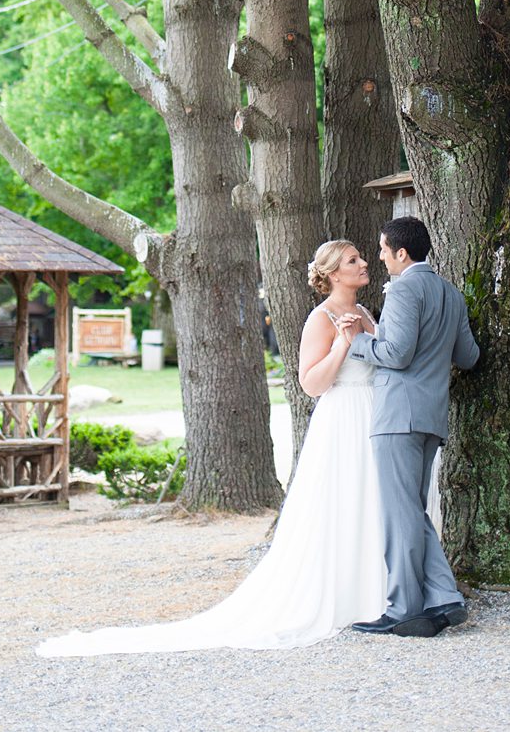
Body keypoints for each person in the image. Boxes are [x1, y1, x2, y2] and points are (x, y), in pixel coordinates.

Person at [36, 238, 388, 656]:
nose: (364, 263)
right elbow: (311, 384)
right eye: (353, 260)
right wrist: (343, 345)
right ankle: (342, 595)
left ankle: (376, 592)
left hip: (373, 416)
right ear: (332, 273)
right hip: (341, 419)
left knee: (372, 501)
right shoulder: (321, 318)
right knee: (341, 504)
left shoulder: (366, 312)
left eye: (361, 258)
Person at [340, 215, 480, 639]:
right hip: (433, 416)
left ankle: (402, 607)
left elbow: (396, 354)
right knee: (410, 512)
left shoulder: (403, 289)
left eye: (383, 250)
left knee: (399, 516)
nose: (380, 257)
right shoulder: (451, 293)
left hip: (397, 415)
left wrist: (358, 342)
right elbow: (470, 356)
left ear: (402, 252)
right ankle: (444, 598)